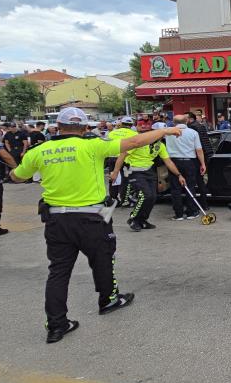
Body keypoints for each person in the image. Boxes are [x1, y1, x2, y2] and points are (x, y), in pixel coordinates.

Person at [10, 107, 183, 344]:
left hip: (57, 220)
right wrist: (167, 130)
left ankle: (56, 325)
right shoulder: (93, 146)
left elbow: (17, 176)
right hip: (93, 217)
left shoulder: (39, 151)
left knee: (58, 272)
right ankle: (109, 300)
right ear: (84, 128)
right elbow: (134, 142)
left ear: (57, 127)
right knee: (103, 260)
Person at [110, 115, 187, 232]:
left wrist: (179, 175)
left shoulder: (160, 146)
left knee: (152, 197)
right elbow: (122, 156)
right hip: (134, 172)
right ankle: (133, 219)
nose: (163, 137)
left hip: (148, 171)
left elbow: (168, 162)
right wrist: (115, 172)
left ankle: (143, 220)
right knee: (144, 195)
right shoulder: (140, 142)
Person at [165, 114, 206, 220]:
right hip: (189, 162)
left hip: (173, 162)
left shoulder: (168, 132)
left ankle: (178, 214)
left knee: (175, 188)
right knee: (190, 187)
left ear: (174, 122)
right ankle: (191, 212)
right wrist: (202, 163)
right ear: (187, 121)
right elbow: (199, 150)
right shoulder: (193, 133)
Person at [107, 117, 137, 207]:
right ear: (131, 125)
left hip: (112, 158)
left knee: (113, 178)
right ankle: (125, 200)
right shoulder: (134, 133)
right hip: (126, 159)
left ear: (121, 124)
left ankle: (113, 199)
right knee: (125, 180)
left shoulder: (112, 133)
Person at [186, 111, 212, 208]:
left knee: (192, 182)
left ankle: (193, 205)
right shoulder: (201, 126)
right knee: (201, 181)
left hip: (196, 156)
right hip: (205, 155)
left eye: (185, 118)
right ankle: (204, 204)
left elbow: (197, 146)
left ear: (190, 119)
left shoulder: (192, 128)